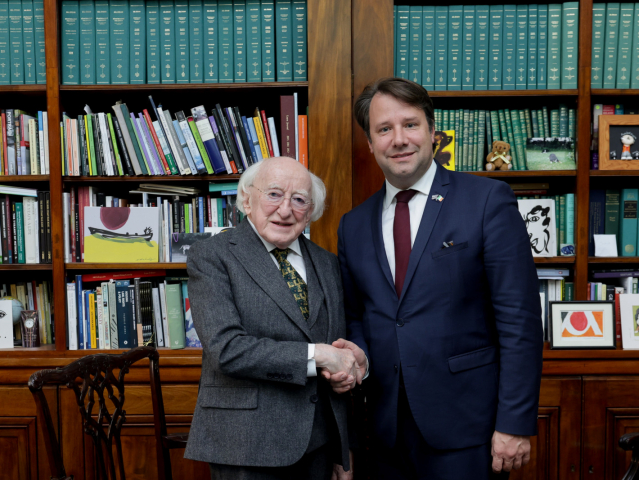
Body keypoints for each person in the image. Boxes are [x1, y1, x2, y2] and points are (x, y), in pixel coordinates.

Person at [335, 77, 543, 479]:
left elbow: (519, 321)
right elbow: (357, 316)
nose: (399, 139)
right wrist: (356, 356)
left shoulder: (486, 200)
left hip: (467, 428)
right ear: (370, 143)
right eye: (384, 129)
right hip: (382, 432)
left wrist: (514, 423)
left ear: (433, 132)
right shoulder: (353, 225)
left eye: (410, 124)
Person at [184, 157, 361, 480]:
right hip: (246, 444)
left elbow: (338, 349)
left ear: (310, 212)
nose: (285, 210)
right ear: (247, 200)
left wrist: (341, 449)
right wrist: (318, 355)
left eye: (299, 200)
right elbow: (227, 349)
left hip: (318, 446)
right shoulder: (211, 256)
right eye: (274, 194)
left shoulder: (327, 263)